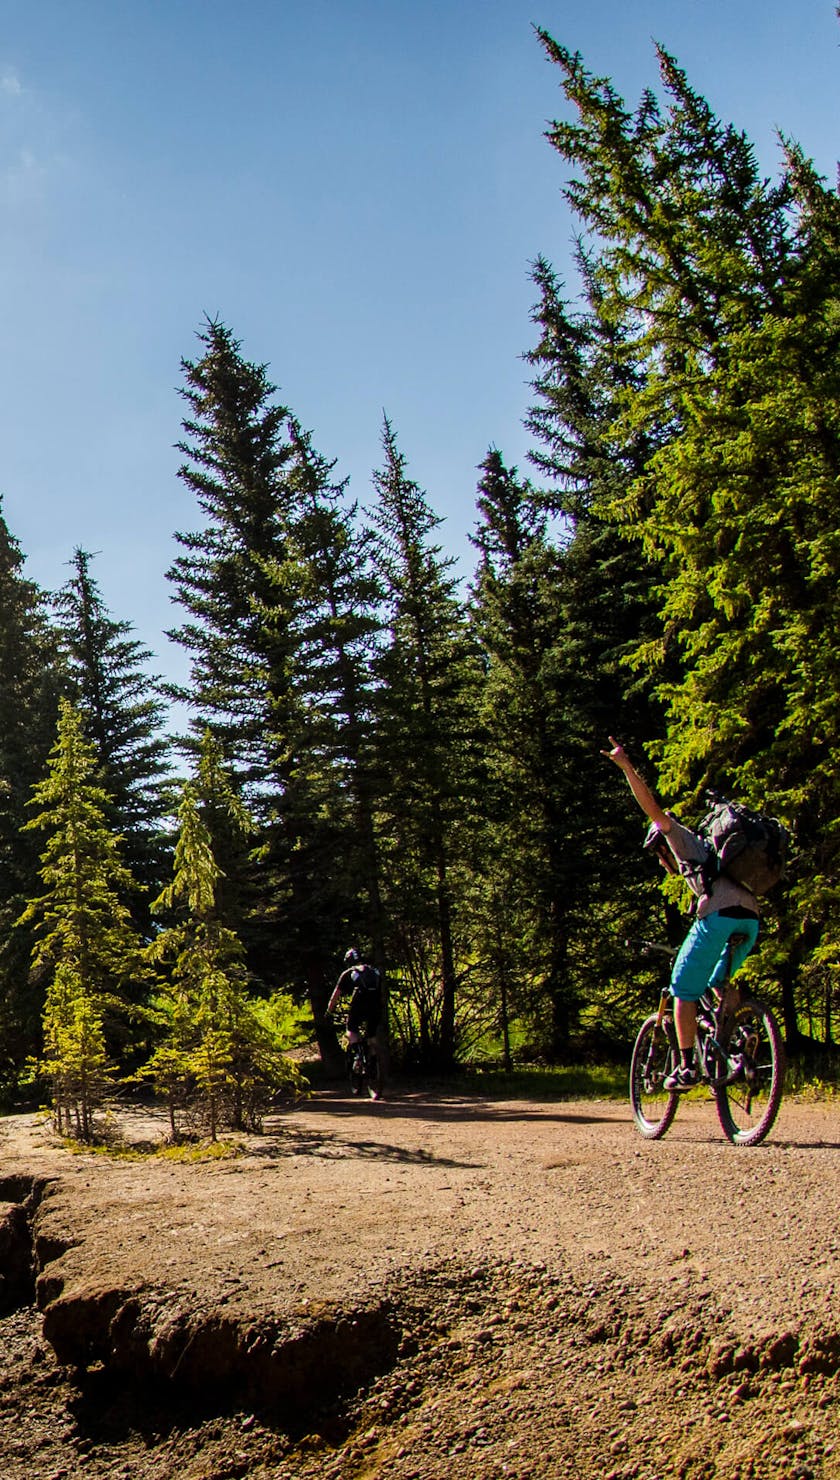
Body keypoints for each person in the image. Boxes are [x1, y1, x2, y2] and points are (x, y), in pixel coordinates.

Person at [602, 737, 759, 1089]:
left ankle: (687, 1067)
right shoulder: (710, 861)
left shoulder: (680, 839)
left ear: (660, 845)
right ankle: (739, 1040)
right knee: (717, 983)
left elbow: (653, 811)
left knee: (683, 990)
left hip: (720, 918)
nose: (662, 861)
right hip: (750, 919)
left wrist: (626, 766)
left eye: (658, 854)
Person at [326, 947, 383, 1062]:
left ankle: (358, 1057)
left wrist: (329, 1012)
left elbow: (335, 996)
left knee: (351, 1029)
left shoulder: (348, 973)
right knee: (372, 1035)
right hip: (375, 1005)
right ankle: (373, 1062)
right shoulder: (374, 971)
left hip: (359, 1005)